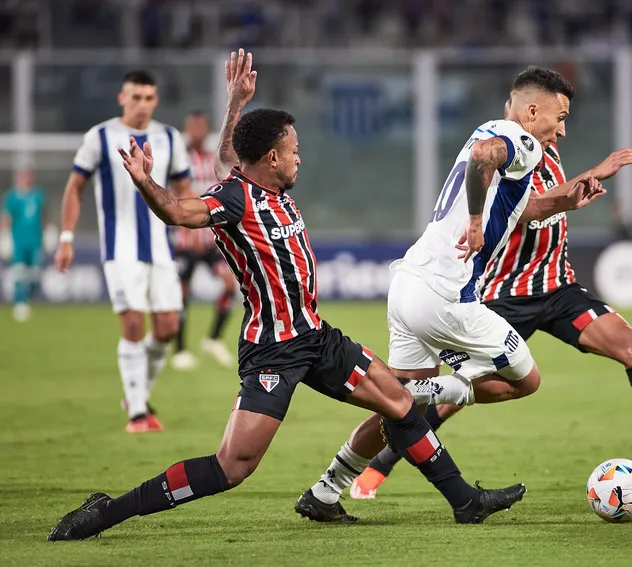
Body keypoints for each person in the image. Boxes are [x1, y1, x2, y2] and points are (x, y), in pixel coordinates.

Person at [47, 50, 526, 542]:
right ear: (272, 157)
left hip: (315, 337)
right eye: (294, 149)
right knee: (231, 467)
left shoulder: (260, 185)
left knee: (399, 402)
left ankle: (465, 502)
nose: (300, 156)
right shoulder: (234, 199)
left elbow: (227, 158)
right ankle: (108, 510)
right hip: (273, 349)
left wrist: (235, 102)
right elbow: (178, 212)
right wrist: (147, 182)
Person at [296, 67, 632, 517]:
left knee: (395, 409)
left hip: (409, 283)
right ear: (531, 110)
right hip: (444, 295)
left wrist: (579, 188)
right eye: (559, 117)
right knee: (526, 380)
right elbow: (484, 156)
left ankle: (327, 489)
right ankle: (422, 391)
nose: (561, 128)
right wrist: (477, 220)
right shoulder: (518, 139)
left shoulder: (503, 141)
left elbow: (528, 208)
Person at [54, 70, 192, 433]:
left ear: (156, 100)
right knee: (133, 323)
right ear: (122, 98)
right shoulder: (99, 137)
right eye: (136, 97)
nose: (142, 105)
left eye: (149, 98)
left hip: (162, 247)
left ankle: (136, 394)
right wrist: (66, 237)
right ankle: (137, 414)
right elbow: (74, 187)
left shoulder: (169, 138)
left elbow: (183, 185)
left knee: (167, 328)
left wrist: (195, 224)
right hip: (121, 249)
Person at [171, 110, 237, 371]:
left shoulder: (213, 160)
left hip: (211, 239)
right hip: (185, 241)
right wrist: (189, 232)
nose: (195, 131)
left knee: (229, 283)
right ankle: (180, 350)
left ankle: (213, 339)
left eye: (200, 127)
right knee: (181, 294)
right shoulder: (179, 161)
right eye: (192, 126)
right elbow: (174, 198)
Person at [1, 169, 46, 322]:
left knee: (34, 275)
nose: (25, 179)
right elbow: (6, 217)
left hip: (35, 242)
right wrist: (5, 237)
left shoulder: (38, 195)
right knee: (19, 273)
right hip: (18, 242)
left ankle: (29, 298)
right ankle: (20, 303)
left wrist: (49, 231)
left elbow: (44, 215)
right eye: (23, 176)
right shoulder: (12, 197)